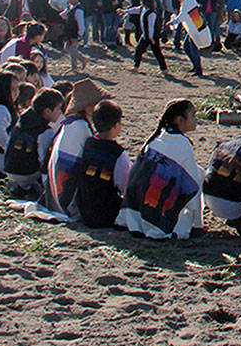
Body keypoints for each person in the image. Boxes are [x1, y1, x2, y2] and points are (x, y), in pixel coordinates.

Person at [118, 99, 204, 238]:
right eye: (193, 116)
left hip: (136, 209)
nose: (196, 120)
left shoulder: (156, 138)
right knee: (198, 176)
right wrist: (195, 220)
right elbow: (192, 185)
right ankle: (196, 225)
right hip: (157, 208)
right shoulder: (181, 144)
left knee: (195, 171)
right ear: (179, 120)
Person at [43, 81, 109, 217]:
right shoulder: (81, 127)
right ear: (88, 106)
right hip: (67, 196)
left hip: (53, 190)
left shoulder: (70, 123)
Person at [76, 101, 131, 229]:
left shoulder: (88, 143)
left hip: (84, 209)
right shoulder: (118, 153)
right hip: (106, 214)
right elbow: (125, 186)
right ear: (116, 125)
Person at [3, 88, 65, 195]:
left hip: (8, 168)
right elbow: (44, 160)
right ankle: (29, 187)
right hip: (26, 173)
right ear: (47, 111)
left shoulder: (22, 120)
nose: (61, 112)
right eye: (59, 109)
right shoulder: (44, 131)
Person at [61, 0, 87, 73]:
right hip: (70, 32)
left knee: (69, 48)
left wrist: (80, 34)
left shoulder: (78, 10)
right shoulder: (71, 8)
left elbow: (81, 23)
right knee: (72, 50)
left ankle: (82, 58)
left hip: (74, 33)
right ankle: (74, 67)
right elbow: (62, 16)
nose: (70, 0)